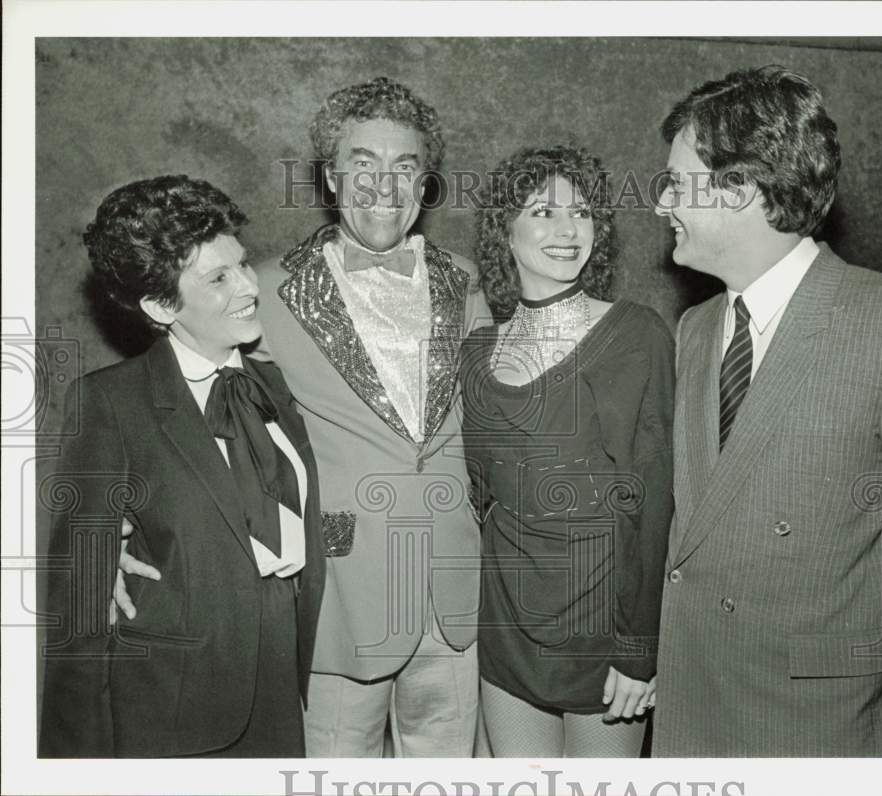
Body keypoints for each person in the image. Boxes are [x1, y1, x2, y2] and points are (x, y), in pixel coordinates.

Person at [651, 66, 882, 757]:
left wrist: (874, 696)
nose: (661, 202)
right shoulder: (694, 329)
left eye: (675, 181)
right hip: (694, 709)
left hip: (824, 727)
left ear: (743, 188)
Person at [38, 175, 325, 757]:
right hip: (171, 709)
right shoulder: (109, 404)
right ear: (160, 304)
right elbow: (81, 607)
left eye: (243, 264)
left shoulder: (276, 383)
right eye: (218, 278)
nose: (249, 286)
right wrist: (73, 766)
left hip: (282, 688)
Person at [251, 77, 488, 756]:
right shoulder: (264, 288)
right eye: (364, 164)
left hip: (453, 592)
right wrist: (135, 524)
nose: (384, 186)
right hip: (338, 596)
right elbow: (183, 402)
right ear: (330, 177)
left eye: (404, 167)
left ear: (425, 184)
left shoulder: (467, 280)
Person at [460, 145, 674, 757]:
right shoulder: (476, 353)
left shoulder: (635, 334)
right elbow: (484, 499)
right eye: (542, 212)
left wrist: (640, 651)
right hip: (506, 628)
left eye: (580, 213)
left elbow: (653, 501)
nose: (566, 229)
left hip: (602, 636)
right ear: (505, 230)